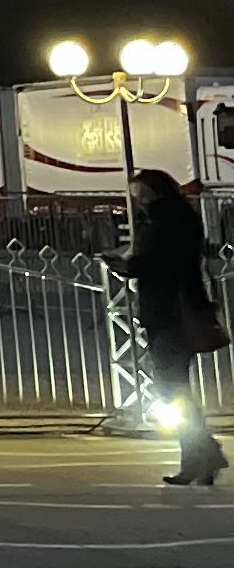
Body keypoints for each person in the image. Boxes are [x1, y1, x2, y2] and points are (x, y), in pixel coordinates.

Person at [118, 169, 227, 485]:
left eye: (139, 192)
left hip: (172, 313)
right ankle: (200, 456)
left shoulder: (165, 220)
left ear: (152, 191)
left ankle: (201, 453)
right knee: (175, 387)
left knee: (171, 387)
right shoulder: (175, 217)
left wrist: (130, 265)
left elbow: (165, 263)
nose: (136, 199)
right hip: (171, 310)